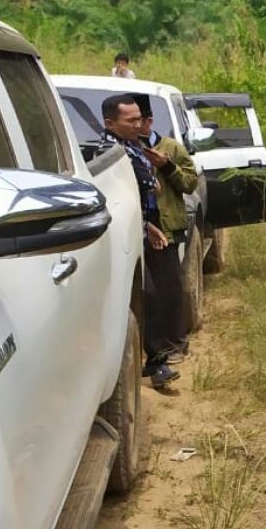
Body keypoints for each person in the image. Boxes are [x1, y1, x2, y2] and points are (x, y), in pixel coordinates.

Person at [100, 93, 178, 389]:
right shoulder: (110, 154)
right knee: (149, 296)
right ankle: (150, 363)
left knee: (159, 294)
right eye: (131, 120)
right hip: (127, 233)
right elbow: (131, 193)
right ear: (110, 123)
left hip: (144, 226)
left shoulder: (134, 147)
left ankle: (158, 359)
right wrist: (146, 225)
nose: (139, 124)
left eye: (140, 119)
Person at [136, 97, 199, 364]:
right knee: (146, 291)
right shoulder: (123, 149)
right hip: (137, 225)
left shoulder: (171, 147)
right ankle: (153, 347)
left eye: (140, 120)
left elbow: (190, 183)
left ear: (149, 121)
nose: (136, 126)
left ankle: (176, 343)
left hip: (166, 226)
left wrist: (167, 166)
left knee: (170, 287)